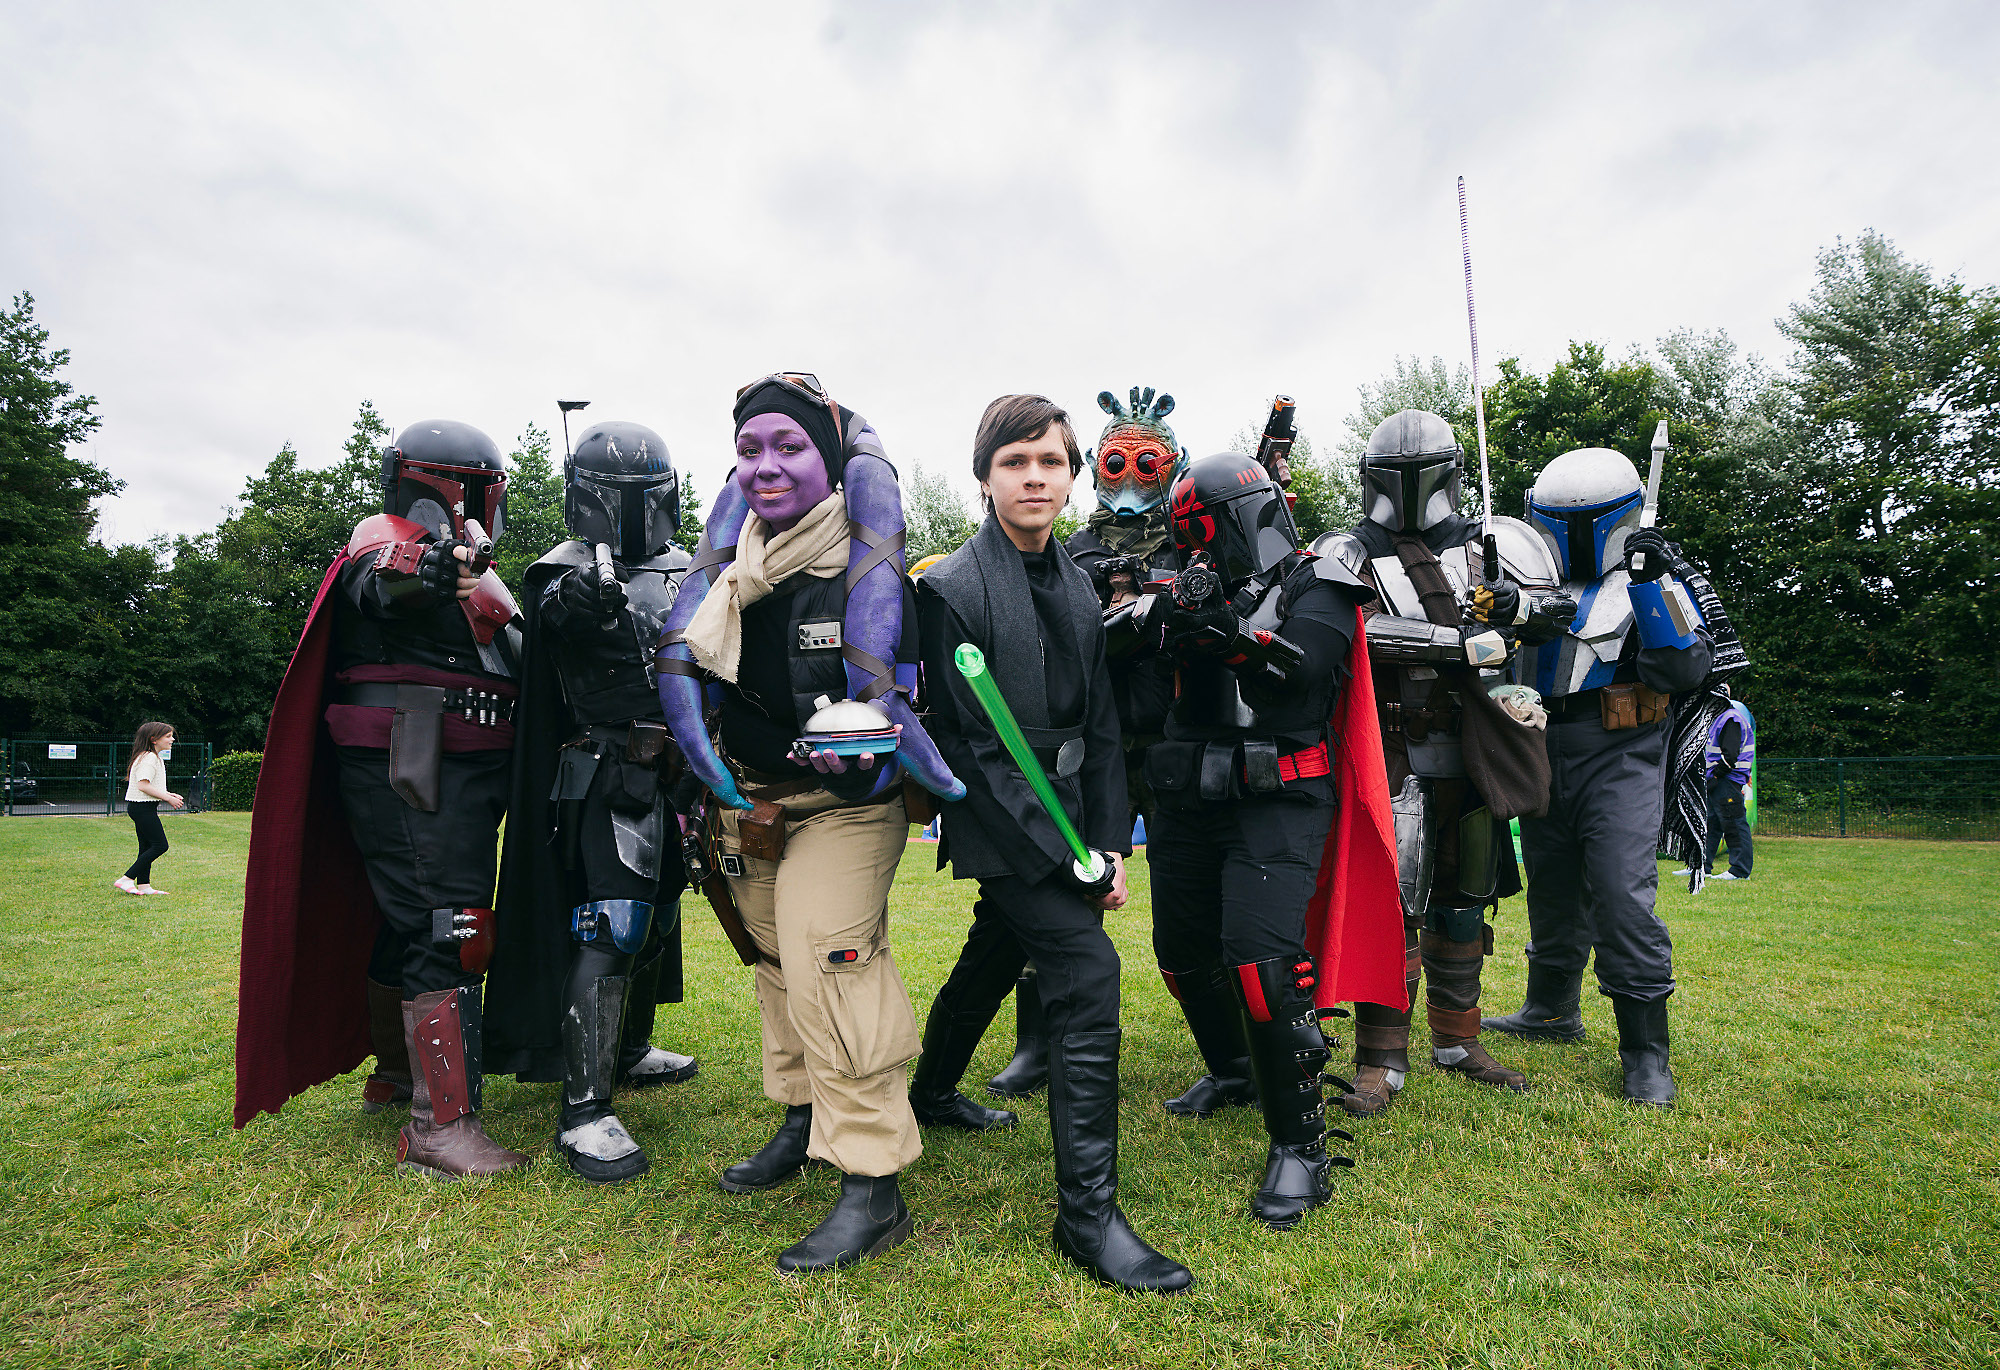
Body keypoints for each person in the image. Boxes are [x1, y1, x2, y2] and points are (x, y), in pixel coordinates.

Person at [656, 373, 962, 1274]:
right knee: (776, 963)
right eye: (750, 449)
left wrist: (876, 751)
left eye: (788, 447)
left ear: (829, 463)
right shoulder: (728, 576)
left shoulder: (882, 577)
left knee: (830, 954)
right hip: (747, 803)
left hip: (846, 807)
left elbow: (917, 704)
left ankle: (873, 1181)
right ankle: (803, 1117)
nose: (766, 467)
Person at [916, 392, 1191, 1293]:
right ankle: (1087, 1219)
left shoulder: (1077, 580)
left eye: (1051, 462)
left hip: (1074, 817)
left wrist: (1107, 840)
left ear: (1073, 477)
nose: (1035, 478)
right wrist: (1061, 854)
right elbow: (974, 747)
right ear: (986, 475)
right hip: (1002, 823)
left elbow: (1103, 727)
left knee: (997, 950)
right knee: (1087, 972)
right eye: (1015, 462)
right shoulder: (952, 588)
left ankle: (927, 1095)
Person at [236, 419, 532, 1179]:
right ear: (460, 485)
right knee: (451, 925)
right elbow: (387, 578)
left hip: (456, 770)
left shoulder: (479, 570)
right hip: (416, 763)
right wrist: (433, 571)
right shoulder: (387, 535)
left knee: (413, 922)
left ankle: (401, 1076)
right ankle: (440, 1129)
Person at [1143, 451, 1404, 1229]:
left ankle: (1301, 1145)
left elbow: (1301, 670)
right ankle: (1231, 1071)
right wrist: (1157, 623)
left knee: (1261, 963)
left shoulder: (1320, 578)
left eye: (1204, 533)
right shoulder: (1182, 589)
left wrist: (1228, 638)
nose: (1195, 551)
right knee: (1182, 953)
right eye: (1183, 537)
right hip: (1190, 795)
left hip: (1281, 794)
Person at [1310, 410, 1575, 1118]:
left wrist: (1517, 604)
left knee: (1465, 896)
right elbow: (1343, 626)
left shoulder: (1497, 543)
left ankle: (1458, 1039)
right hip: (1391, 744)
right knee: (1393, 900)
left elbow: (1559, 609)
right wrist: (1458, 643)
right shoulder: (1347, 547)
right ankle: (1380, 1058)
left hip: (1481, 741)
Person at [486, 420, 698, 1185]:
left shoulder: (685, 566)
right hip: (603, 770)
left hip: (677, 771)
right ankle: (583, 1108)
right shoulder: (559, 573)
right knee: (616, 921)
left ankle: (629, 1049)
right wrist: (581, 599)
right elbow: (552, 625)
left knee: (661, 915)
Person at [1478, 447, 1715, 1107]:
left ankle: (1645, 1054)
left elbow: (1687, 671)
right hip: (1538, 744)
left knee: (1618, 893)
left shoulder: (1653, 579)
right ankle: (1550, 1010)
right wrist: (1497, 613)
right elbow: (1492, 671)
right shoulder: (1519, 579)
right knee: (1552, 887)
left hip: (1623, 749)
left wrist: (1648, 583)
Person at [115, 721, 182, 896]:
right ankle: (127, 879)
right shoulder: (149, 758)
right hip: (142, 808)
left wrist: (169, 794)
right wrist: (167, 798)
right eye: (168, 736)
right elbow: (143, 785)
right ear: (153, 739)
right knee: (160, 845)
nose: (172, 739)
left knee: (146, 847)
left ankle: (144, 885)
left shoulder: (151, 756)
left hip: (143, 808)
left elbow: (150, 785)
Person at [1697, 688, 1754, 880]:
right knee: (1711, 824)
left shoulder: (1730, 718)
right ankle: (1701, 866)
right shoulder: (1722, 717)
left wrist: (1714, 777)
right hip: (1720, 779)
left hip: (1726, 780)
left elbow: (1730, 756)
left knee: (1734, 824)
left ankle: (1739, 871)